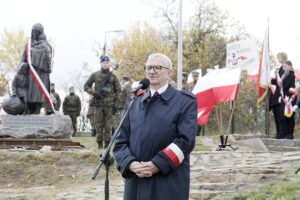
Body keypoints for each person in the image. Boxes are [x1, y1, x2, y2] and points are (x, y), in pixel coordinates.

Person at [113, 53, 197, 200]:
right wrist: (130, 163)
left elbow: (185, 141)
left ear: (169, 73)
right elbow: (120, 142)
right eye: (149, 67)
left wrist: (157, 164)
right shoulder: (133, 103)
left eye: (157, 67)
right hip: (136, 183)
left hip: (168, 182)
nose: (152, 71)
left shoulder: (184, 101)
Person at [84, 55, 121, 149]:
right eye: (103, 62)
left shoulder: (113, 76)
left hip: (109, 106)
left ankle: (107, 146)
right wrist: (94, 93)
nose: (105, 64)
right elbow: (86, 86)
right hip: (99, 105)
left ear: (109, 64)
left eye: (107, 63)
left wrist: (116, 106)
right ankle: (100, 145)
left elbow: (118, 91)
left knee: (108, 126)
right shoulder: (95, 75)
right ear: (101, 63)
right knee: (99, 125)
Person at [20, 23, 53, 114]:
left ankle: (37, 113)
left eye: (37, 32)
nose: (34, 34)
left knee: (38, 97)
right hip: (30, 74)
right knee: (29, 96)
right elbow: (23, 59)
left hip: (41, 76)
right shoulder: (28, 45)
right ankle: (28, 113)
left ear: (41, 32)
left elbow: (48, 61)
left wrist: (34, 53)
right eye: (33, 32)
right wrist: (23, 64)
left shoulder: (47, 45)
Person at [270, 52, 288, 139]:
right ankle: (278, 133)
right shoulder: (278, 69)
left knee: (281, 116)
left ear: (284, 57)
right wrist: (270, 80)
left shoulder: (286, 67)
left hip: (283, 95)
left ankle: (283, 133)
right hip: (276, 96)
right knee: (276, 116)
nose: (278, 59)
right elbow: (277, 82)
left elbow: (285, 81)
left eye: (279, 57)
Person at [277, 60, 297, 139]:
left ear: (290, 66)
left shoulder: (292, 75)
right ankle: (284, 134)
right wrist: (280, 95)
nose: (283, 68)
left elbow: (292, 87)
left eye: (285, 66)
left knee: (290, 116)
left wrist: (289, 98)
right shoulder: (284, 75)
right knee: (284, 116)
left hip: (290, 98)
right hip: (284, 97)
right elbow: (281, 87)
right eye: (283, 67)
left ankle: (290, 134)